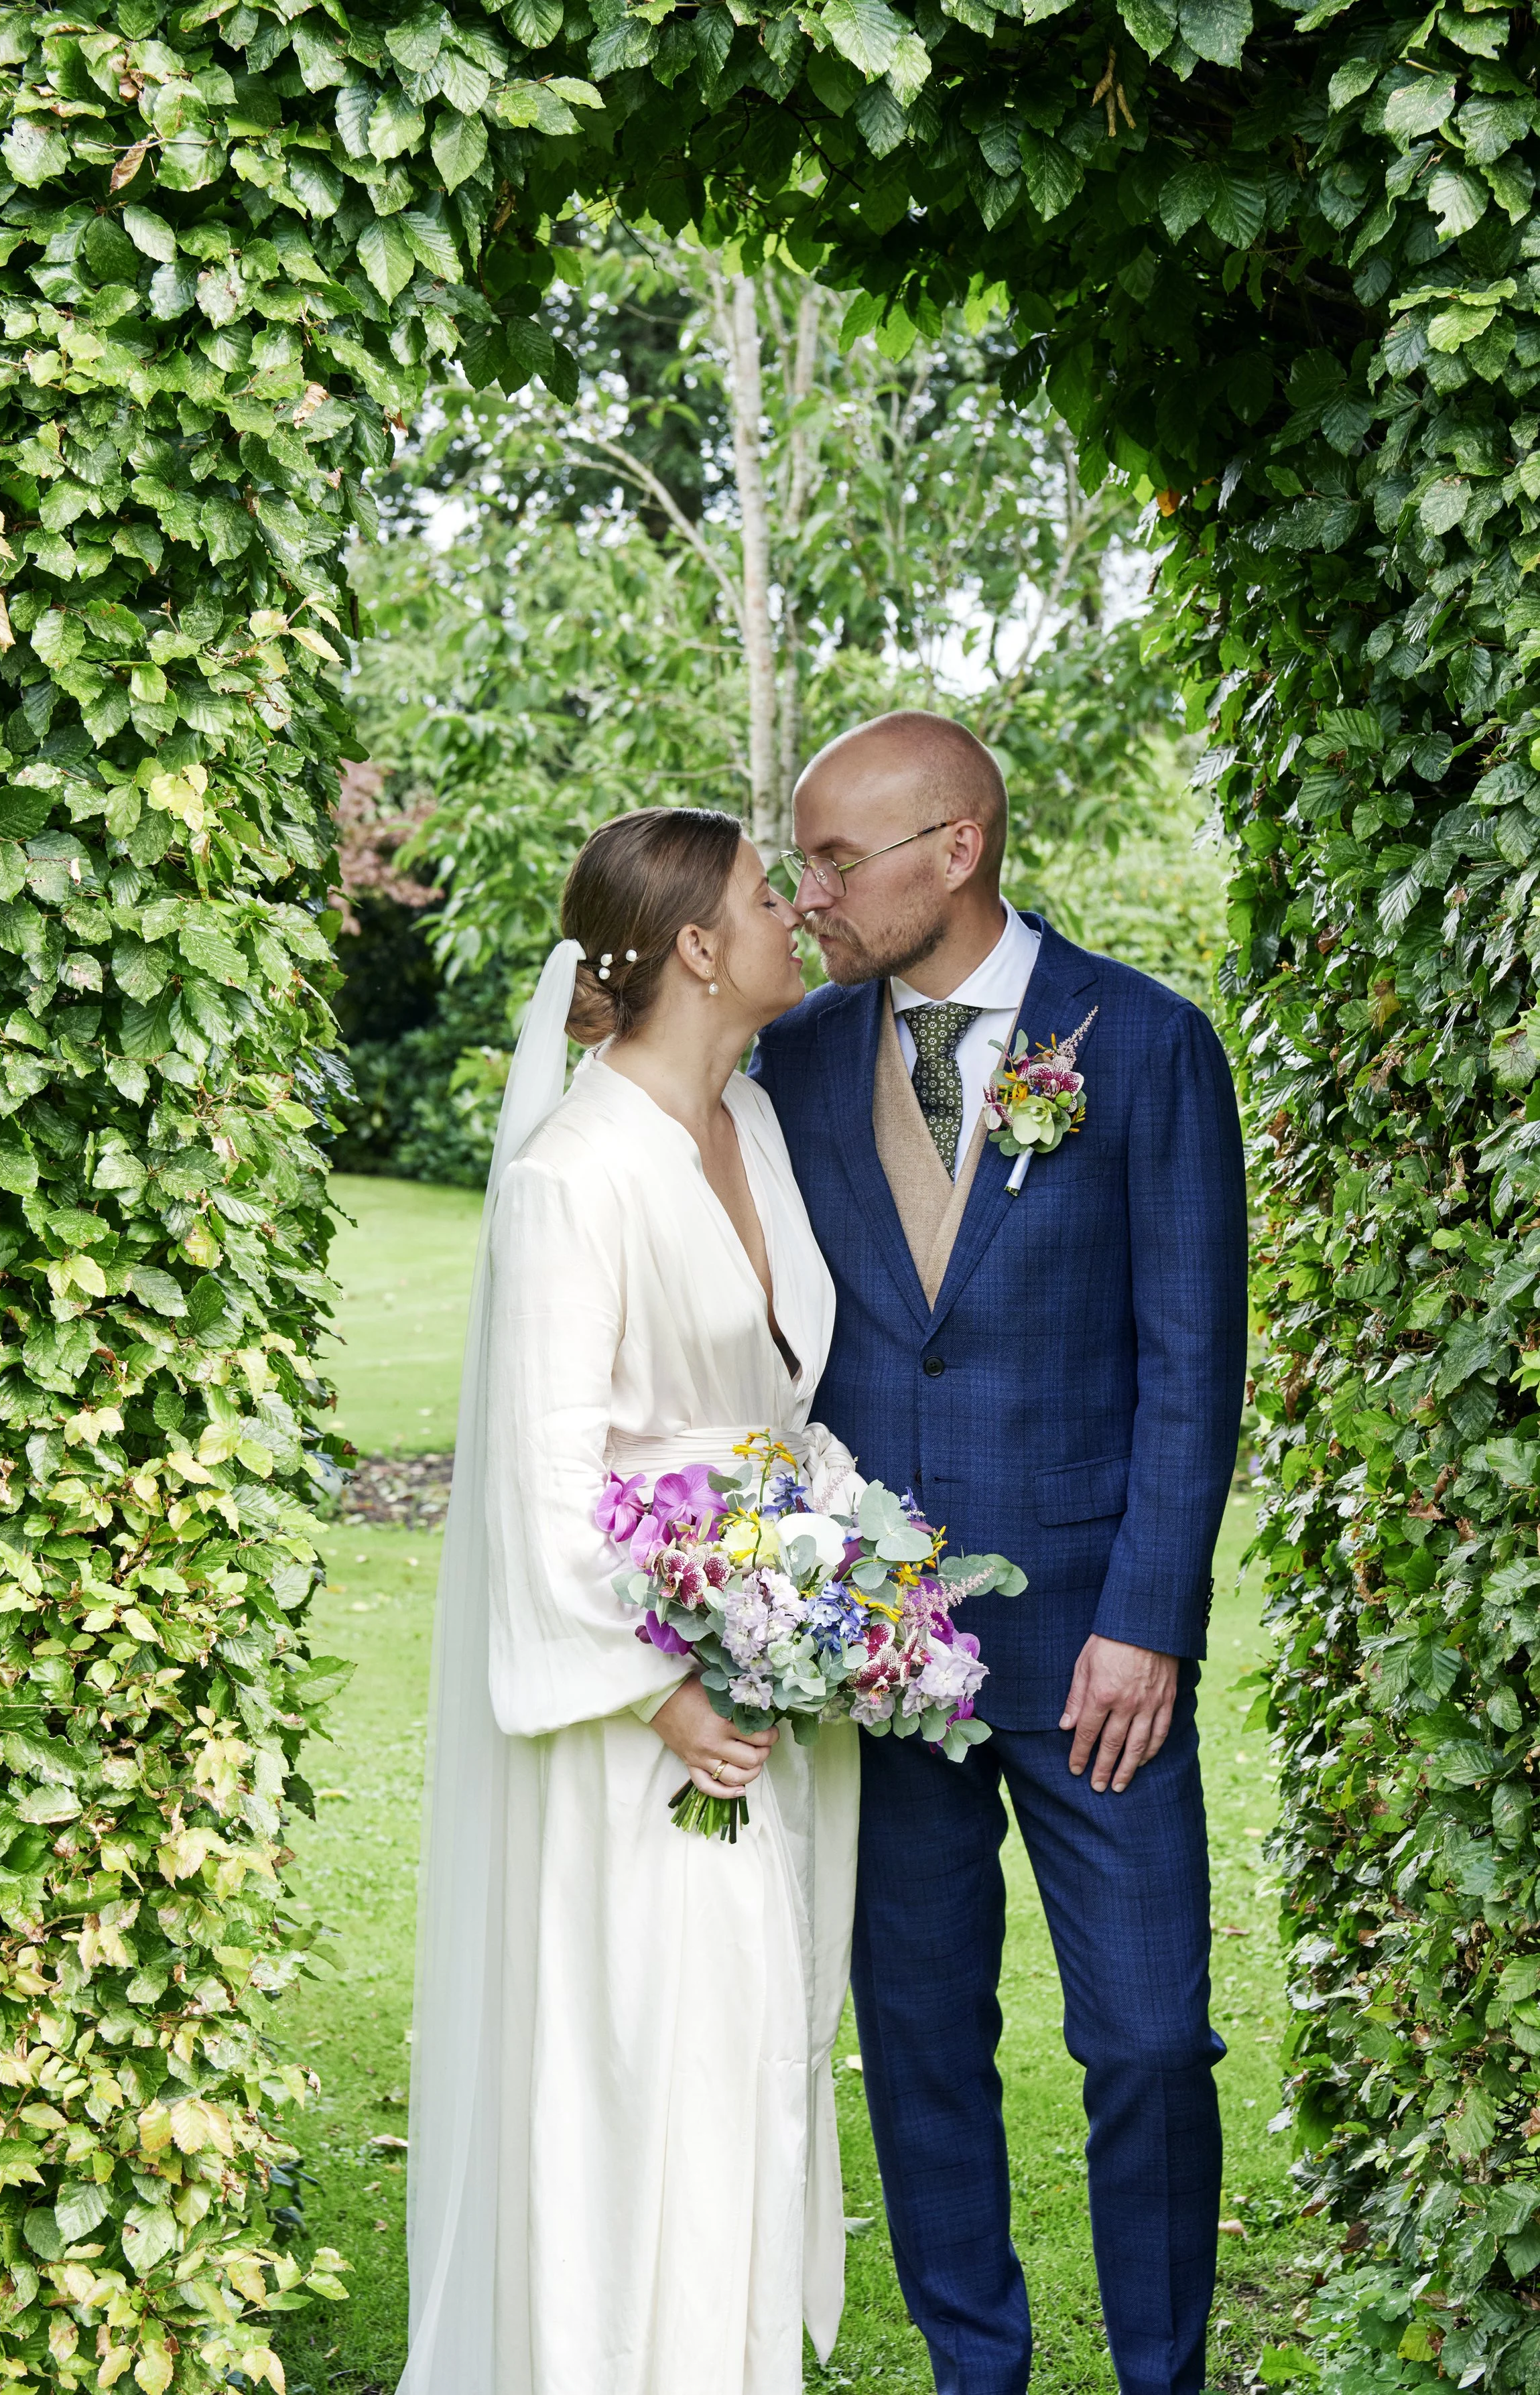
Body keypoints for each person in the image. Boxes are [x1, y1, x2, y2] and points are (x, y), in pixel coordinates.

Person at [753, 710, 1248, 2395]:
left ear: (952, 849)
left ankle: (1161, 2374)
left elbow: (1192, 1355)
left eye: (835, 860)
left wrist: (1150, 1619)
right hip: (879, 1652)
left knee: (1148, 2040)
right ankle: (980, 2367)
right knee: (917, 2043)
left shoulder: (1150, 1043)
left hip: (1094, 1656)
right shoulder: (800, 1059)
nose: (808, 891)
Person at [397, 807, 861, 2395]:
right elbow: (536, 1487)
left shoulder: (757, 1130)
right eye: (760, 894)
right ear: (696, 948)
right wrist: (667, 1687)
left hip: (759, 1673)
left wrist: (832, 1573)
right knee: (645, 2066)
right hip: (638, 1722)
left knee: (747, 2060)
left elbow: (781, 1407)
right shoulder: (569, 1179)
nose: (794, 910)